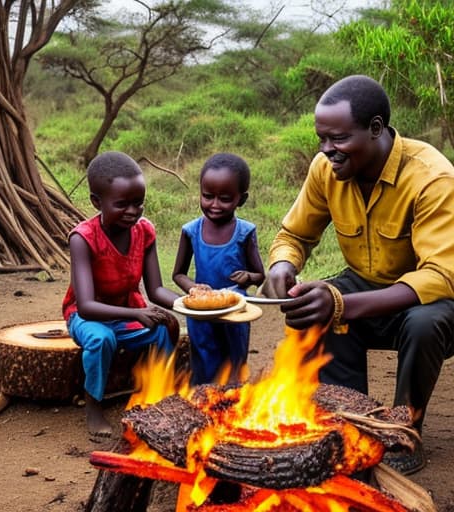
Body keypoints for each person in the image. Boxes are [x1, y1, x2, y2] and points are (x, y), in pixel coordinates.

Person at [262, 74, 454, 475]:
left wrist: (342, 304)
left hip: (433, 301)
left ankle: (403, 432)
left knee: (423, 323)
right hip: (365, 284)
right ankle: (349, 426)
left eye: (338, 139)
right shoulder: (325, 170)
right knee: (316, 311)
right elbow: (294, 234)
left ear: (376, 129)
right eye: (322, 139)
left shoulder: (432, 177)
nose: (327, 150)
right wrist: (283, 265)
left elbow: (439, 275)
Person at [62, 151, 180, 439]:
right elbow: (87, 306)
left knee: (166, 328)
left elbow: (155, 290)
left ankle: (158, 394)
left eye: (138, 203)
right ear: (96, 202)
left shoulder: (144, 232)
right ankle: (93, 406)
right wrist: (136, 314)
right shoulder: (83, 238)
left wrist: (190, 304)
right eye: (122, 204)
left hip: (128, 310)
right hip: (88, 317)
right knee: (103, 339)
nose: (133, 211)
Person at [173, 153, 265, 385]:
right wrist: (193, 288)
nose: (214, 205)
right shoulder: (191, 231)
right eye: (207, 196)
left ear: (240, 199)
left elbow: (259, 274)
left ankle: (233, 399)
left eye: (224, 198)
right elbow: (178, 274)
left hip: (235, 308)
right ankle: (204, 398)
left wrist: (248, 277)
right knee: (204, 355)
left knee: (234, 358)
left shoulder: (244, 232)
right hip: (201, 310)